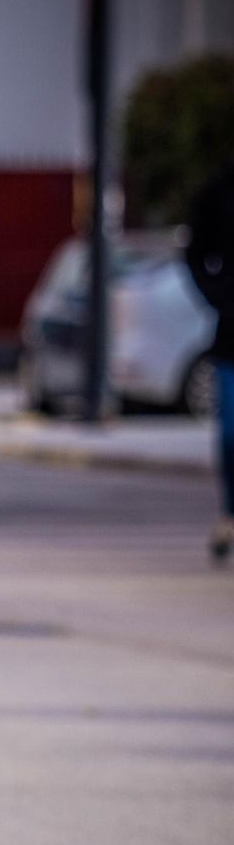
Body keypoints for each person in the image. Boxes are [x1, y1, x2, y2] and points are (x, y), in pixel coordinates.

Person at [185, 160, 234, 563]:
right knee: (231, 433)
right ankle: (229, 513)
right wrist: (218, 295)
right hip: (233, 337)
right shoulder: (221, 191)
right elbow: (195, 254)